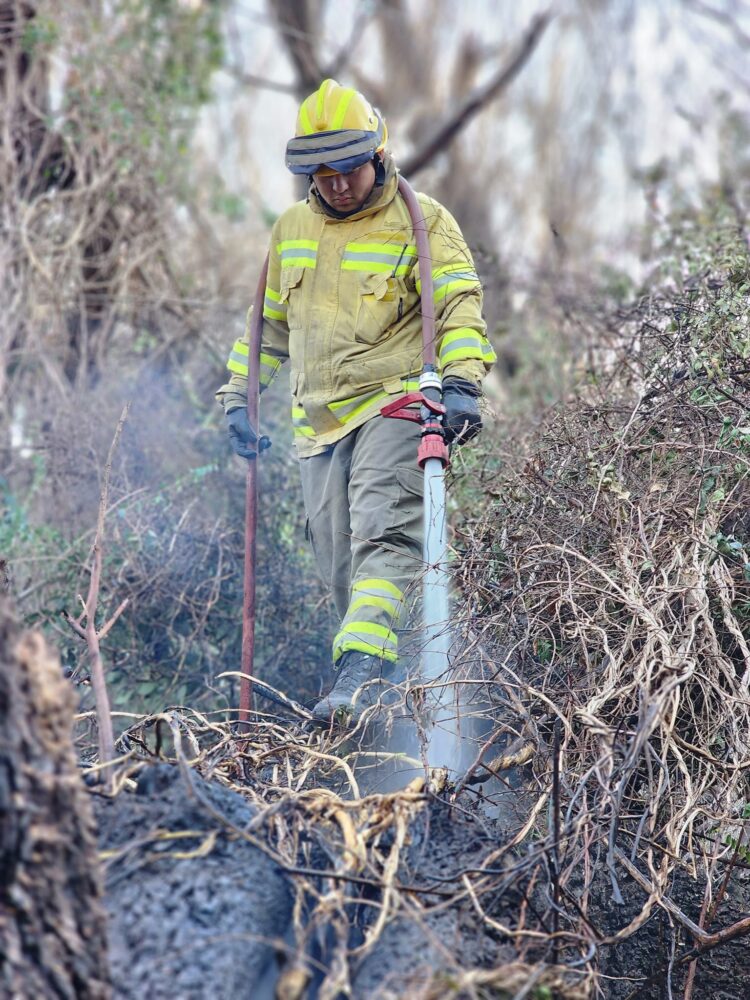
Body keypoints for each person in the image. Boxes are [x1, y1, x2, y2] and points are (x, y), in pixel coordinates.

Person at [217, 79, 495, 723]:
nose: (337, 183)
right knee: (343, 570)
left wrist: (460, 384)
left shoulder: (422, 222)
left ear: (376, 152)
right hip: (318, 427)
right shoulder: (291, 229)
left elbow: (456, 308)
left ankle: (361, 678)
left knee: (385, 536)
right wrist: (239, 399)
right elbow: (268, 328)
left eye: (348, 167)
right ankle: (387, 700)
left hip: (396, 404)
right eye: (322, 171)